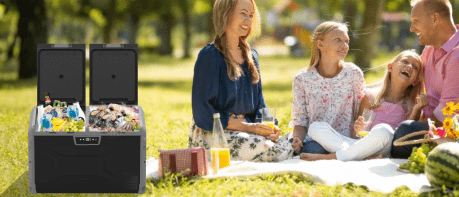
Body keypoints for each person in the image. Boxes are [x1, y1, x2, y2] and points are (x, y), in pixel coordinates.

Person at [189, 0, 293, 162]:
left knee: (282, 144)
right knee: (275, 149)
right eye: (243, 14)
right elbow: (202, 111)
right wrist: (247, 127)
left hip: (247, 130)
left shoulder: (252, 56)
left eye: (251, 15)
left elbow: (259, 103)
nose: (248, 20)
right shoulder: (209, 56)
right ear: (226, 15)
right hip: (213, 132)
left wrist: (268, 128)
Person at [301, 50, 428, 161]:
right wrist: (357, 129)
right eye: (405, 61)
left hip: (386, 146)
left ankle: (331, 157)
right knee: (315, 127)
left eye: (415, 67)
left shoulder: (412, 105)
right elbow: (360, 133)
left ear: (416, 80)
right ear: (390, 67)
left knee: (383, 130)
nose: (410, 66)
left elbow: (404, 136)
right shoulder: (371, 98)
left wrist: (417, 110)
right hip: (361, 145)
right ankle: (361, 156)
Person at [391, 0, 459, 158]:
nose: (412, 28)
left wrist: (409, 128)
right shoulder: (429, 52)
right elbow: (402, 80)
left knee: (403, 131)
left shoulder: (456, 55)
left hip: (448, 133)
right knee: (395, 125)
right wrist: (363, 90)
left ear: (435, 19)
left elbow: (447, 113)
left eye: (415, 21)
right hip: (429, 127)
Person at [290, 21, 366, 156]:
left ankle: (345, 152)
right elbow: (300, 121)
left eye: (346, 41)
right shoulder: (302, 79)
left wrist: (357, 132)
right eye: (338, 40)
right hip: (317, 140)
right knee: (313, 149)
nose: (344, 46)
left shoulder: (354, 74)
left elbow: (361, 112)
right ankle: (351, 154)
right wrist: (297, 139)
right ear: (320, 44)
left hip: (346, 140)